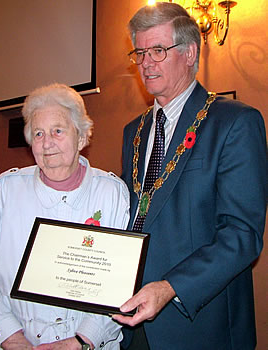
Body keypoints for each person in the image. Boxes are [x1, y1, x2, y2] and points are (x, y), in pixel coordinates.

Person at [112, 3, 267, 350]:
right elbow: (135, 215)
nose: (146, 62)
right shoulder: (132, 132)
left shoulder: (234, 123)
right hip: (130, 322)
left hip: (198, 325)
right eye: (140, 52)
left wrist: (170, 287)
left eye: (157, 50)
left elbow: (242, 235)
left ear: (189, 52)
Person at [0, 83, 130, 350]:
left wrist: (81, 340)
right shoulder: (3, 193)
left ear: (82, 137)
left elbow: (120, 284)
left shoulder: (111, 195)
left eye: (58, 131)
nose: (47, 142)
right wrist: (11, 338)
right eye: (38, 133)